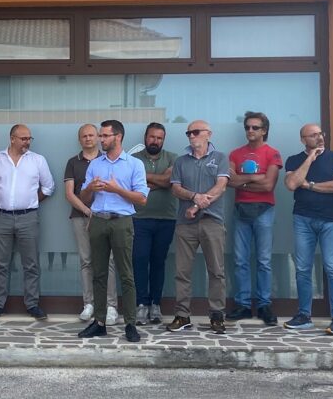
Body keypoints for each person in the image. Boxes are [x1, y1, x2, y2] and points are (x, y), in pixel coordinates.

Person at [77, 119, 148, 343]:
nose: (101, 139)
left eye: (105, 135)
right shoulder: (95, 165)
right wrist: (90, 188)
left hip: (121, 222)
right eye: (101, 135)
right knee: (99, 273)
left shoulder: (134, 164)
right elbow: (83, 198)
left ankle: (130, 324)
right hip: (98, 220)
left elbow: (142, 199)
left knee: (126, 274)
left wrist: (117, 189)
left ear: (118, 137)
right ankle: (99, 323)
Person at [0, 124, 55, 322]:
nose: (27, 142)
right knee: (0, 263)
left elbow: (48, 187)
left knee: (31, 263)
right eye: (24, 138)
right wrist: (2, 202)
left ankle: (32, 304)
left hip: (28, 217)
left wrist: (31, 202)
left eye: (29, 138)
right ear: (12, 139)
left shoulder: (37, 160)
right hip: (1, 217)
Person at [166, 120, 229, 334]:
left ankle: (217, 315)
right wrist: (194, 197)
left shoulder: (220, 158)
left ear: (208, 134)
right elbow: (175, 188)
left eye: (195, 132)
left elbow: (221, 186)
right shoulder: (181, 161)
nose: (191, 136)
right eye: (188, 133)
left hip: (212, 221)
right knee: (182, 271)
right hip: (186, 223)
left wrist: (197, 205)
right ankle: (182, 315)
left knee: (216, 270)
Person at [284, 124, 333, 335]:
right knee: (303, 268)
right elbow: (292, 184)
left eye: (320, 133)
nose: (319, 137)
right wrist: (310, 158)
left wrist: (309, 185)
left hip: (330, 220)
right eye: (313, 135)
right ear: (303, 140)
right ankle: (304, 316)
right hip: (303, 219)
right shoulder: (294, 160)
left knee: (332, 267)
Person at [226, 112, 282, 326]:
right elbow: (229, 181)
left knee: (263, 260)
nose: (250, 130)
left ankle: (264, 305)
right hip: (241, 210)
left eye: (255, 127)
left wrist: (243, 181)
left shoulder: (272, 153)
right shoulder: (235, 153)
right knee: (240, 260)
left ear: (264, 130)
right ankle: (243, 305)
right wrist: (253, 177)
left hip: (264, 210)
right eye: (247, 127)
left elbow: (268, 185)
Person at [64, 124, 119, 325]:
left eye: (91, 135)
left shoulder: (107, 160)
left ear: (97, 137)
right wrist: (88, 211)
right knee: (86, 260)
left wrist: (97, 212)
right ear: (79, 140)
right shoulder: (73, 162)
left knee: (108, 261)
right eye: (84, 136)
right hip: (81, 217)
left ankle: (111, 306)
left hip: (105, 217)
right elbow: (69, 193)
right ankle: (89, 303)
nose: (88, 138)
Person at [131, 122, 177, 325]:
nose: (155, 141)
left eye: (159, 138)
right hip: (139, 218)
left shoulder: (173, 158)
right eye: (152, 137)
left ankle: (156, 304)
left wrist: (145, 179)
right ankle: (142, 304)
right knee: (140, 261)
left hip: (166, 218)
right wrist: (160, 180)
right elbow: (132, 186)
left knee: (159, 262)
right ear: (145, 137)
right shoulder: (133, 159)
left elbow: (169, 182)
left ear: (163, 140)